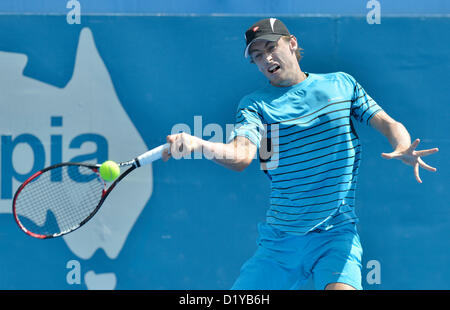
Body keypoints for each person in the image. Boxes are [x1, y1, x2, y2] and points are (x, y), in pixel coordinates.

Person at [162, 18, 439, 290]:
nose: (266, 59)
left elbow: (388, 123)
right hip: (280, 243)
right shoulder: (254, 106)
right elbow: (240, 156)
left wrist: (402, 144)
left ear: (292, 43)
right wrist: (199, 144)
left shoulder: (341, 85)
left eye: (271, 48)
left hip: (336, 236)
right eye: (257, 56)